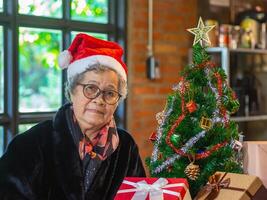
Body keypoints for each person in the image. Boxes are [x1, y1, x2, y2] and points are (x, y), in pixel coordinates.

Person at [0, 33, 146, 199]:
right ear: (72, 91)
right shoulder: (30, 144)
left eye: (110, 93)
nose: (99, 100)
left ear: (118, 100)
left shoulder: (126, 147)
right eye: (90, 88)